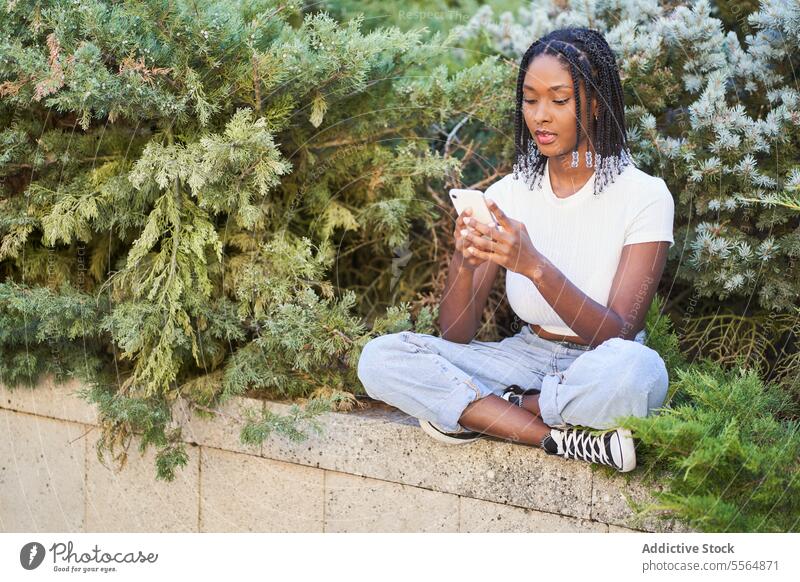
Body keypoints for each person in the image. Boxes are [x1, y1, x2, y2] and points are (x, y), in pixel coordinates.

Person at [357, 27, 674, 473]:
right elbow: (456, 336)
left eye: (559, 100)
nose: (540, 116)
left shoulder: (644, 196)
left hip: (597, 365)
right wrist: (465, 265)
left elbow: (618, 334)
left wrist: (534, 267)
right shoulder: (508, 194)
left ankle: (491, 410)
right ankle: (560, 439)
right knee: (381, 359)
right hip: (520, 357)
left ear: (597, 103)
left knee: (639, 373)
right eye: (530, 99)